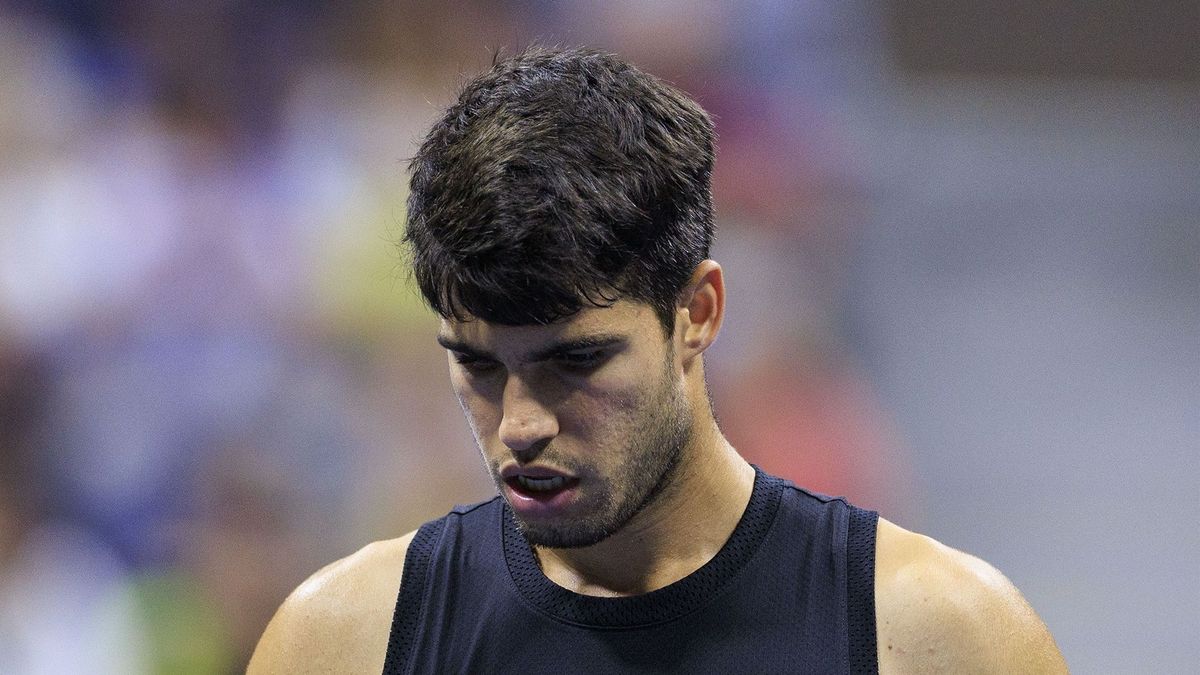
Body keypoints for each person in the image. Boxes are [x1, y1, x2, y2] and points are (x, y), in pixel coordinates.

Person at [248, 46, 1067, 673]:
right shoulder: (341, 643)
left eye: (577, 362)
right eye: (480, 367)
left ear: (697, 313)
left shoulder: (939, 638)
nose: (521, 427)